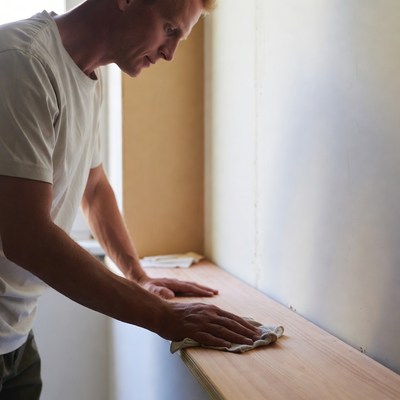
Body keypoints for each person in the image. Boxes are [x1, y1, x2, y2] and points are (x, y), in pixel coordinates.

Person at [0, 0, 261, 397]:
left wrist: (139, 277)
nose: (171, 53)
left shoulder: (88, 76)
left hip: (15, 338)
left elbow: (94, 186)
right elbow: (27, 238)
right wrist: (163, 318)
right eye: (170, 30)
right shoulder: (22, 61)